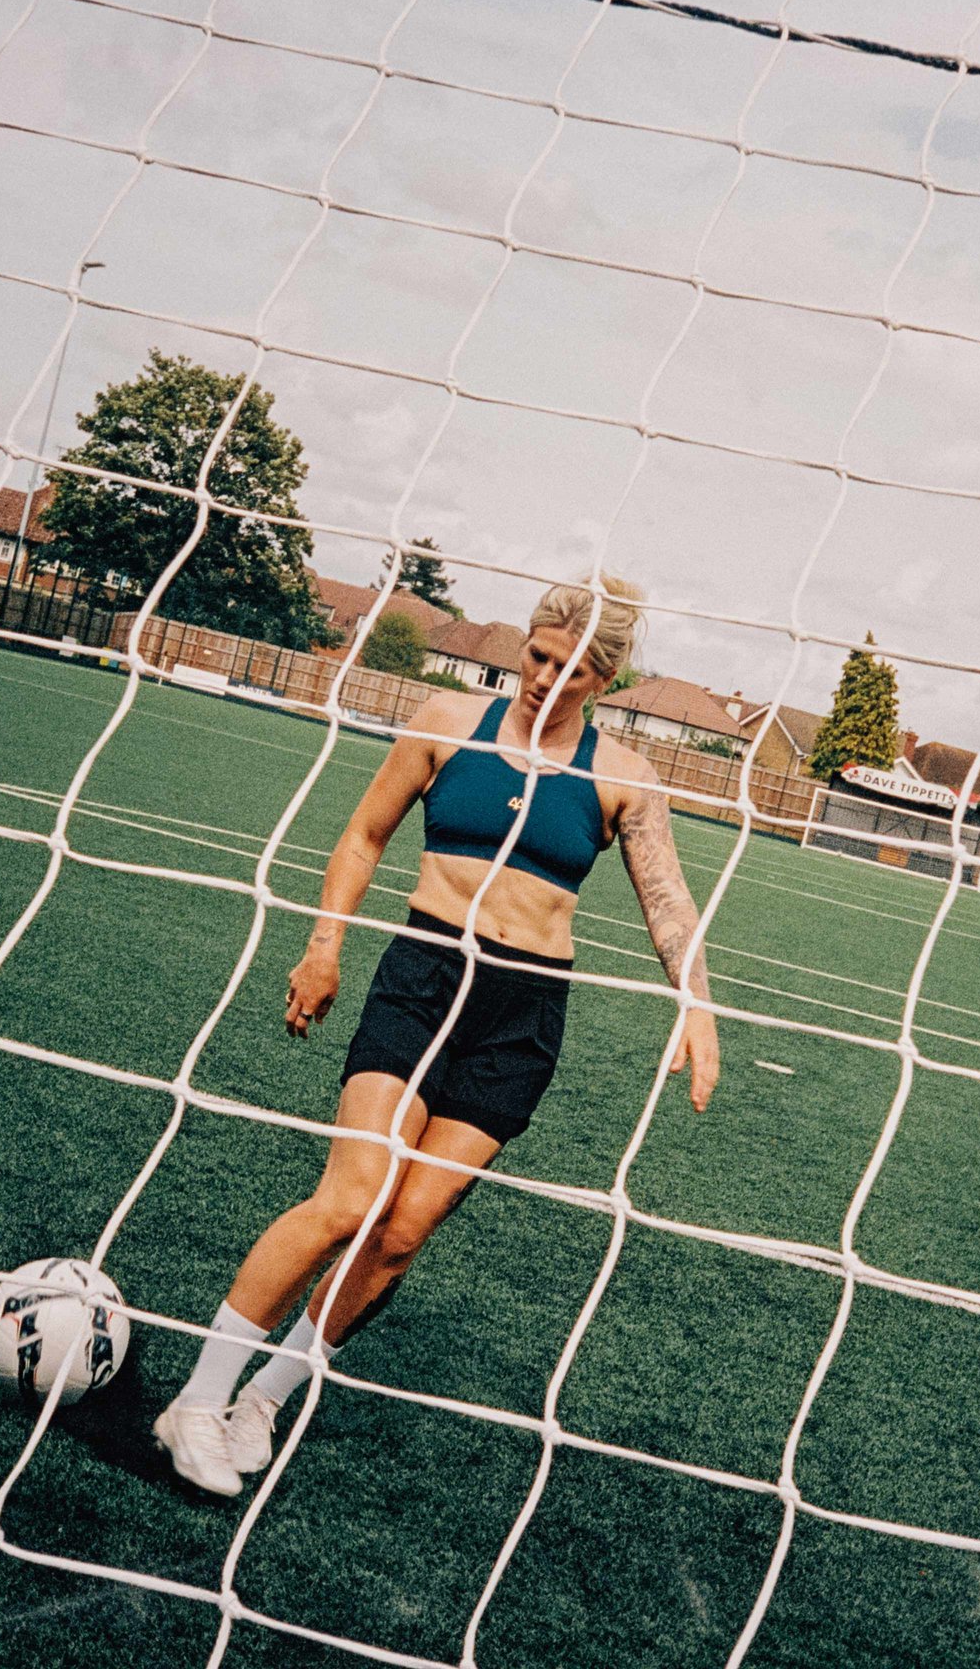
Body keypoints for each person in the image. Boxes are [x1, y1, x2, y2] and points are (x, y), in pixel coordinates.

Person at [154, 578, 721, 1495]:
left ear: (603, 678)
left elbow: (667, 900)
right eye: (535, 657)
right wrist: (324, 947)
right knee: (351, 1198)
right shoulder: (449, 720)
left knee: (405, 1229)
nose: (542, 677)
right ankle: (195, 1399)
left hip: (524, 1014)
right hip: (424, 979)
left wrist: (697, 1005)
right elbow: (365, 834)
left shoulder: (625, 779)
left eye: (567, 669)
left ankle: (263, 1398)